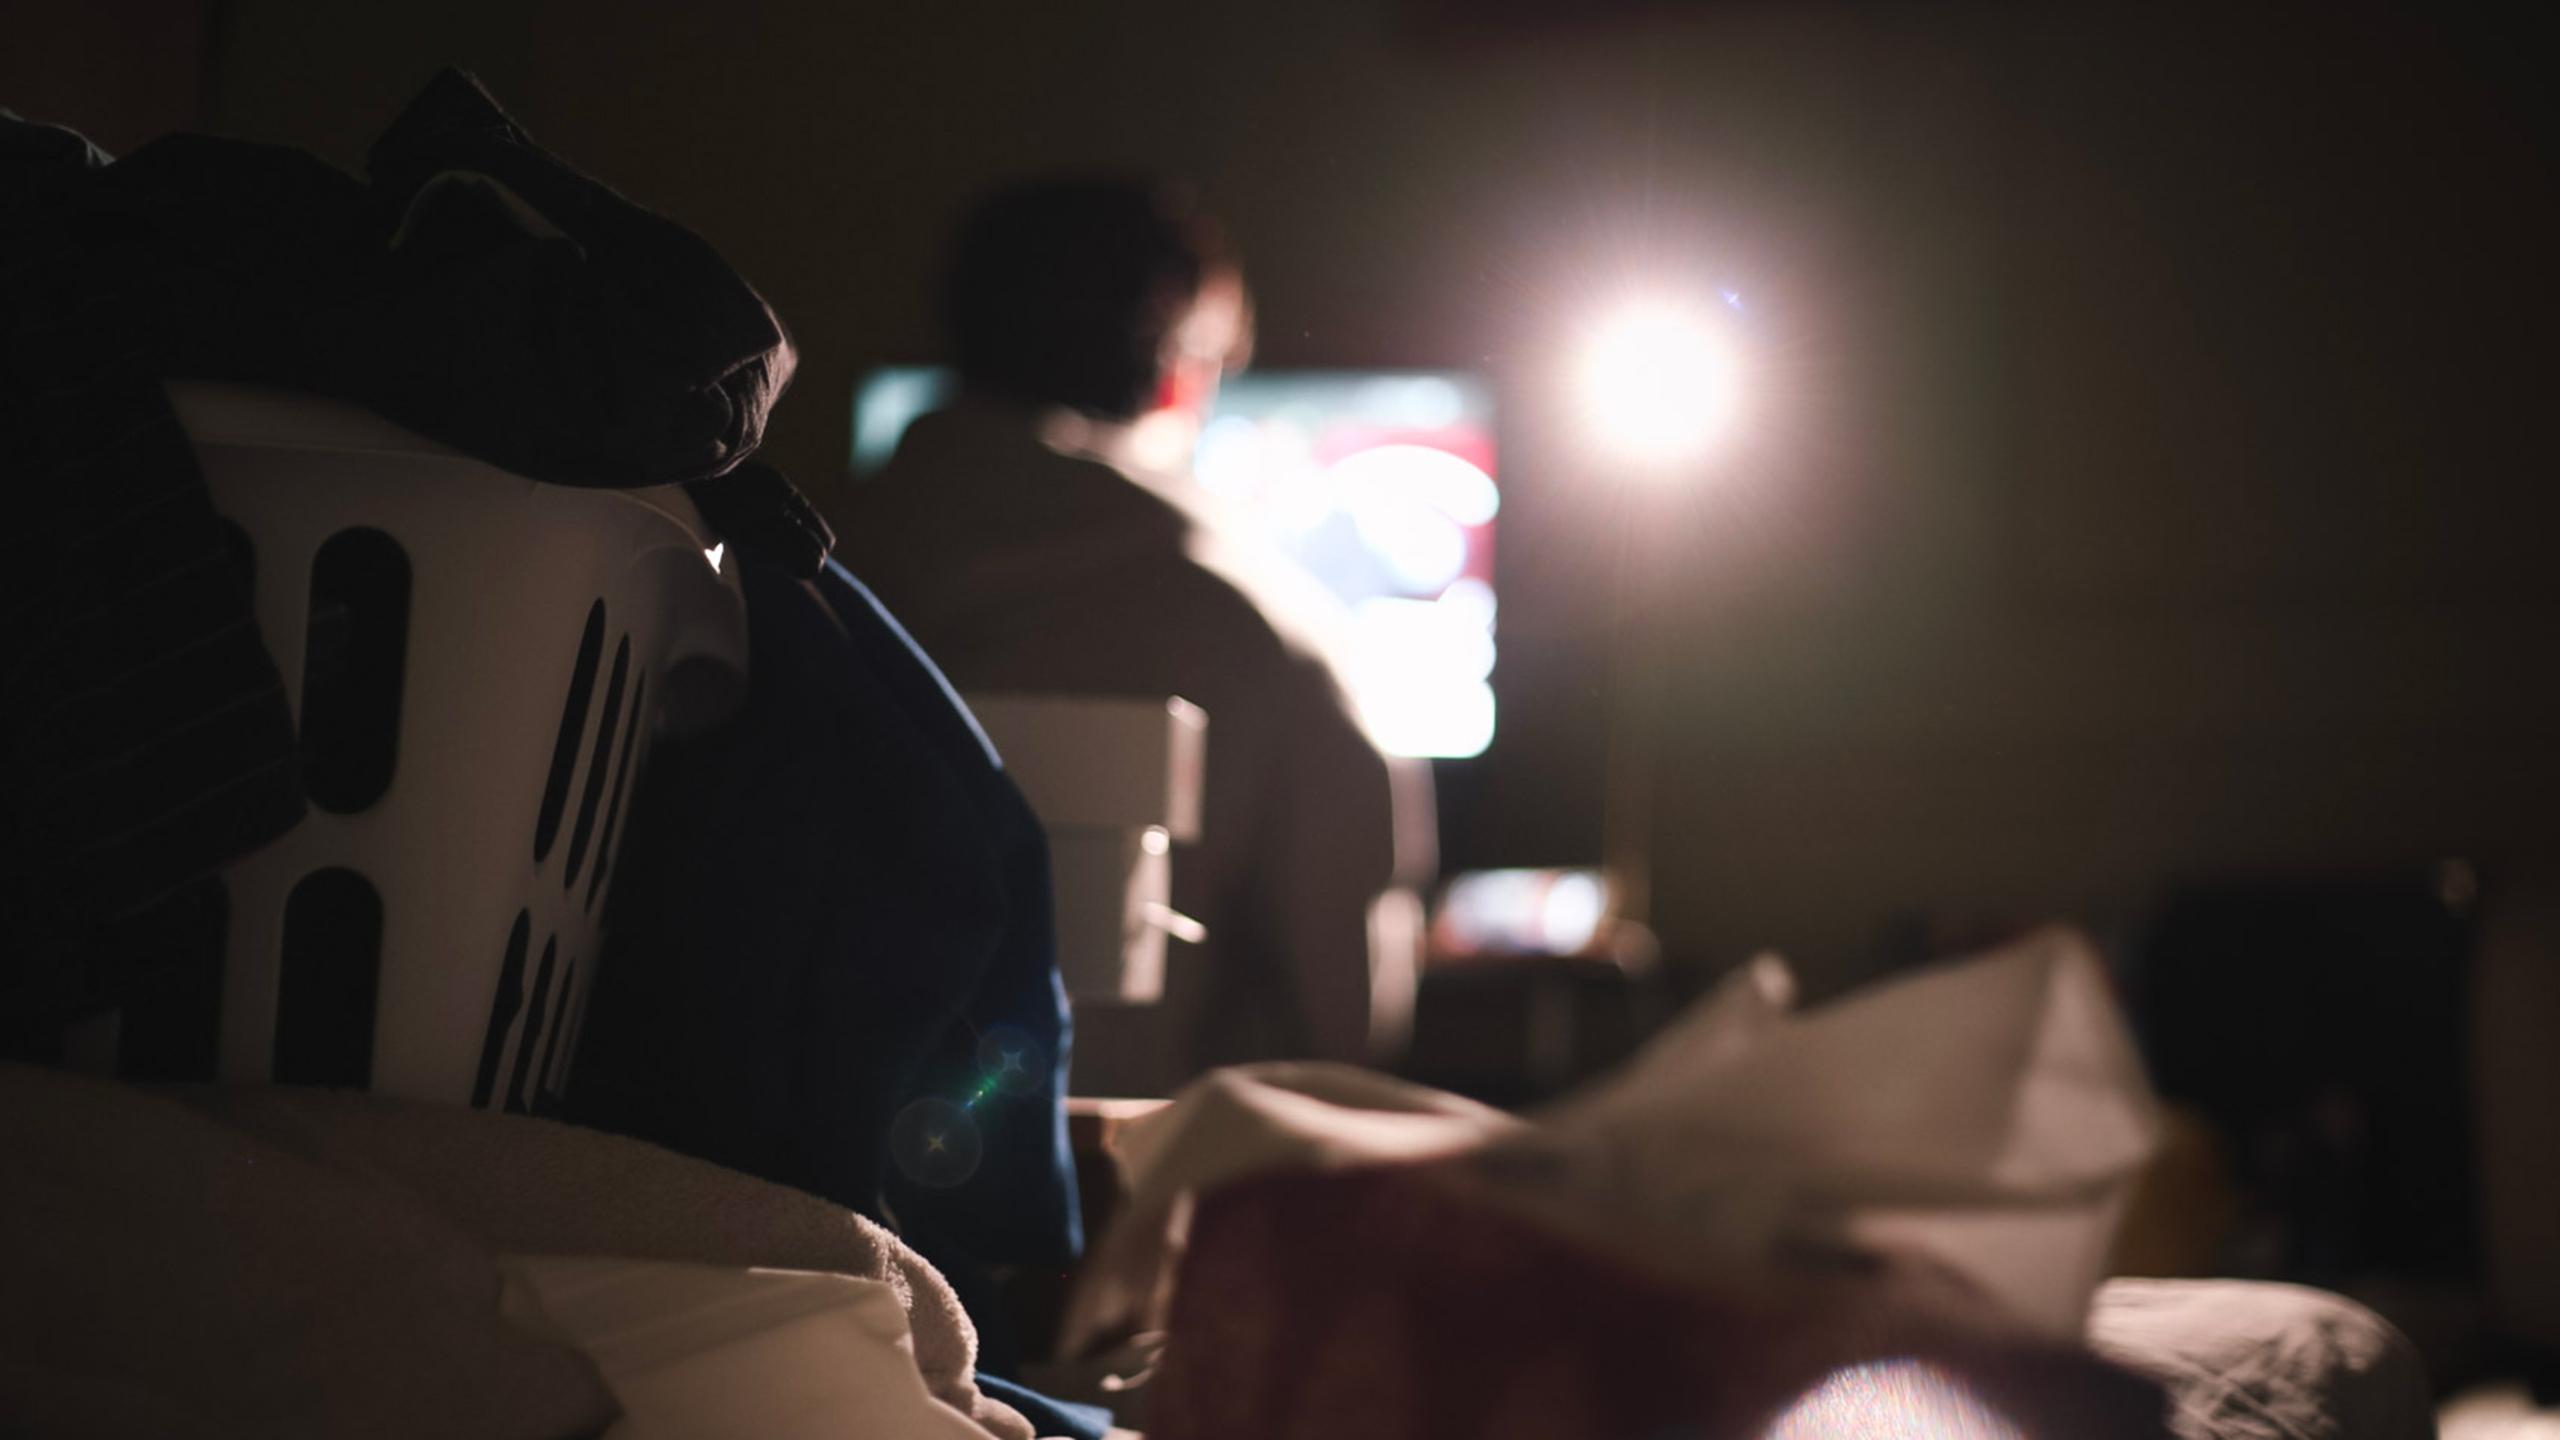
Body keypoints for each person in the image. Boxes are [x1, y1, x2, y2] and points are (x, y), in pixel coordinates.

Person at [835, 178, 1434, 1097]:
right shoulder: (1277, 631)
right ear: (1182, 377)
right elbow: (1341, 1028)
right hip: (1110, 1210)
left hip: (765, 1199)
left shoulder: (783, 568)